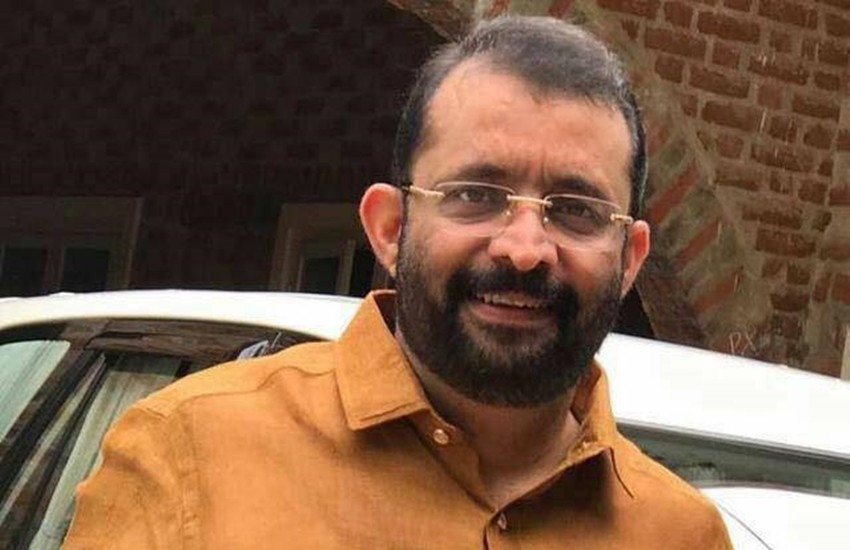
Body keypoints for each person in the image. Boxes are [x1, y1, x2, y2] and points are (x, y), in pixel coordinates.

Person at [65, 16, 732, 549]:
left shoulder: (680, 534)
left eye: (577, 211)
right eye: (476, 195)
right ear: (388, 227)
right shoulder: (191, 455)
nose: (525, 250)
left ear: (630, 258)